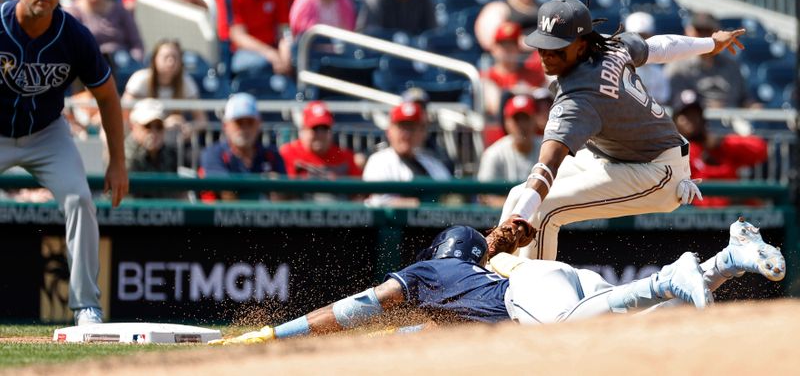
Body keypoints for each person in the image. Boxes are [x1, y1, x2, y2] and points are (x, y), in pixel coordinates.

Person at [211, 217, 785, 344]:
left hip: (528, 298)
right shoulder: (469, 280)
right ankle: (726, 260)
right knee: (617, 328)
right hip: (560, 281)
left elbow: (363, 304)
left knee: (569, 330)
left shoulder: (429, 272)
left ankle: (669, 275)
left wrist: (280, 335)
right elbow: (404, 337)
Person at [499, 0, 747, 261]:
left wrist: (519, 219)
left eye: (557, 48)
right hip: (616, 157)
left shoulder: (579, 98)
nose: (547, 54)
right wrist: (711, 44)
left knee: (544, 209)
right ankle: (489, 281)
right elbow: (661, 47)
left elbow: (548, 165)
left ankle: (532, 299)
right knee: (519, 195)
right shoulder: (609, 45)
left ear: (582, 46)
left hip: (657, 170)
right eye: (542, 46)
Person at [0, 0, 128, 325]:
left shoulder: (73, 34)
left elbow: (107, 96)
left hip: (46, 133)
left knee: (79, 200)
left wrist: (117, 163)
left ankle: (86, 305)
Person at [672, 89, 769, 208]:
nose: (691, 120)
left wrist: (722, 142)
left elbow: (761, 149)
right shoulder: (672, 149)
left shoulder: (719, 145)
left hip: (732, 213)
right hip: (694, 216)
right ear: (675, 119)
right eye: (685, 116)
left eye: (695, 114)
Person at [198, 93, 286, 202]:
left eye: (250, 122)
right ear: (226, 125)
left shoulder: (272, 155)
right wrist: (265, 183)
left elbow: (284, 194)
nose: (244, 128)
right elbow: (226, 189)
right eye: (238, 122)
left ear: (259, 124)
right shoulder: (213, 153)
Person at [362, 101, 451, 207]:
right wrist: (421, 204)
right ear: (389, 131)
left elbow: (449, 197)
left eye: (412, 128)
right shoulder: (378, 161)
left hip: (434, 221)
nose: (407, 134)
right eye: (402, 127)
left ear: (423, 132)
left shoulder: (431, 162)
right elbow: (380, 203)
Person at [122, 39, 206, 142]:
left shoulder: (186, 82)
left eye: (175, 57)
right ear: (154, 59)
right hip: (140, 139)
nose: (171, 62)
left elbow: (202, 120)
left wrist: (188, 127)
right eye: (166, 57)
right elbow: (123, 114)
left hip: (170, 143)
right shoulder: (140, 79)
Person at [664, 12, 751, 108]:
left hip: (731, 119)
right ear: (687, 32)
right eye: (699, 30)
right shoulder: (677, 66)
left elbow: (744, 99)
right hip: (695, 119)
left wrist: (751, 106)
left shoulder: (731, 65)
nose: (704, 36)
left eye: (708, 31)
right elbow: (675, 101)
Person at [64, 0, 145, 64]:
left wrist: (135, 61)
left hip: (123, 63)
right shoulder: (72, 13)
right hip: (91, 67)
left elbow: (136, 43)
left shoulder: (120, 9)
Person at [478, 95, 543, 207]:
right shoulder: (494, 154)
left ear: (534, 120)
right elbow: (486, 197)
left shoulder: (547, 148)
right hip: (503, 219)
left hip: (542, 217)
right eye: (516, 120)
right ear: (507, 122)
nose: (522, 125)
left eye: (526, 118)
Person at [280, 100, 361, 179]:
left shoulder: (345, 156)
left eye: (324, 128)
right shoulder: (287, 154)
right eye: (315, 129)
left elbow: (359, 190)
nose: (320, 134)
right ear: (303, 130)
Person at [481, 21, 546, 118]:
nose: (507, 50)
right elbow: (496, 108)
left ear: (518, 48)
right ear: (494, 49)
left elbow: (544, 109)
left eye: (512, 44)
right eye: (503, 45)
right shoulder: (487, 76)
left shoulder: (533, 75)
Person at [124, 98, 183, 199]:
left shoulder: (170, 154)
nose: (153, 132)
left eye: (159, 127)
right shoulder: (123, 154)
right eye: (147, 126)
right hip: (128, 212)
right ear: (133, 127)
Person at [623, 12, 670, 105]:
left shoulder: (658, 71)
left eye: (645, 36)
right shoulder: (615, 65)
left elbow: (663, 99)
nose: (641, 41)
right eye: (637, 36)